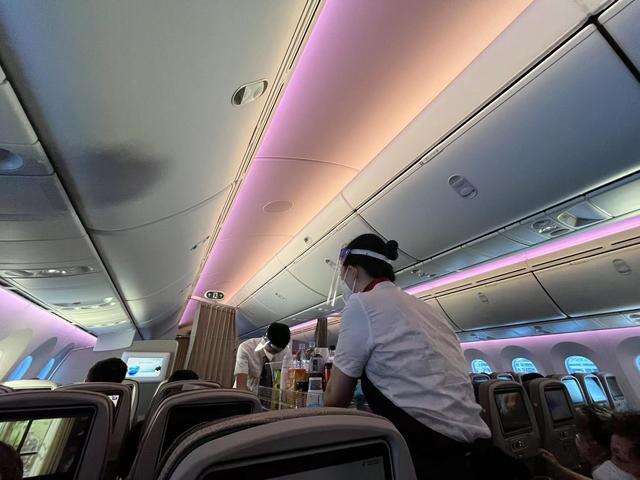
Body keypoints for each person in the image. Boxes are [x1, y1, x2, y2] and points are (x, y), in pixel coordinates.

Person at [323, 233, 493, 478]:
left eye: (343, 274)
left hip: (430, 451)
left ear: (353, 271)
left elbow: (335, 397)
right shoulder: (425, 308)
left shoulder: (361, 303)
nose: (344, 281)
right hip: (477, 448)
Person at [538, 406, 613, 479]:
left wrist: (558, 467)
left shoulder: (607, 469)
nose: (587, 447)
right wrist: (558, 466)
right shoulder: (602, 466)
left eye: (591, 440)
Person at [234, 322, 290, 394]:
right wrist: (253, 399)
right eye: (273, 350)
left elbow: (288, 381)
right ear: (265, 339)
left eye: (278, 351)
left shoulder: (285, 352)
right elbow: (241, 386)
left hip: (271, 397)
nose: (274, 354)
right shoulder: (246, 348)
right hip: (246, 395)